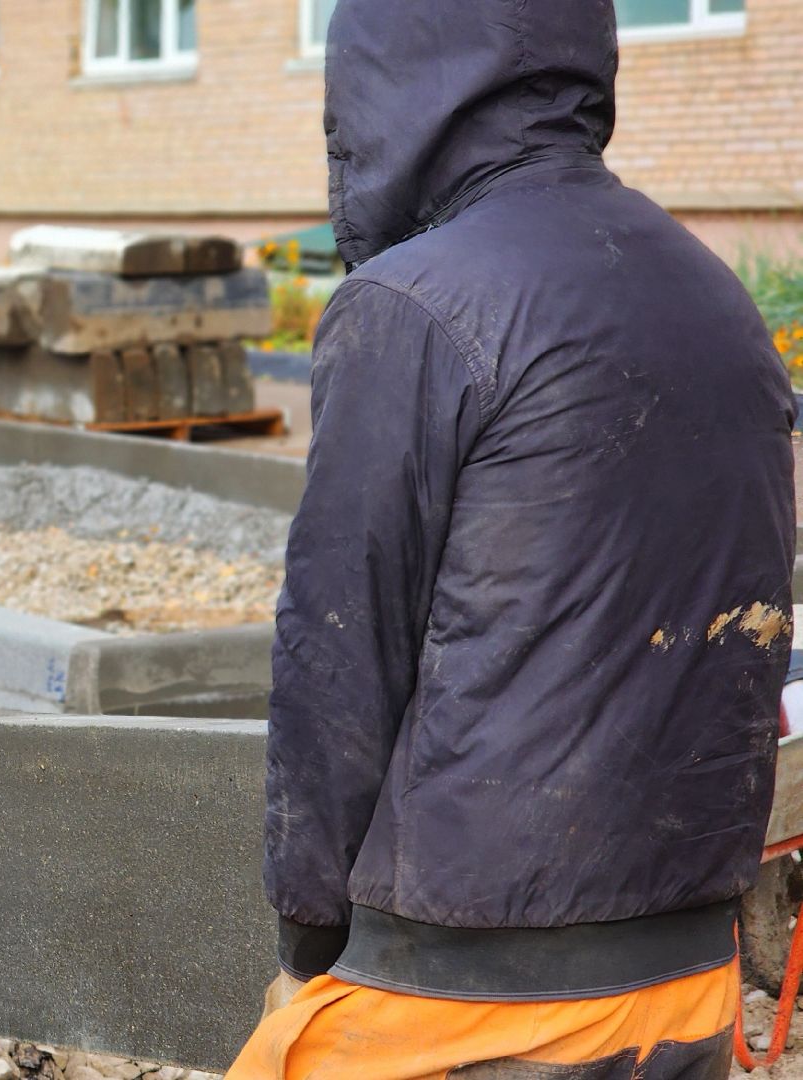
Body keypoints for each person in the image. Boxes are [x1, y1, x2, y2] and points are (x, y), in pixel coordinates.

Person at [232, 0, 796, 1075]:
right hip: (686, 976)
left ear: (386, 86)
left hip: (467, 994)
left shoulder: (411, 307)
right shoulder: (718, 299)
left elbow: (336, 665)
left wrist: (306, 949)